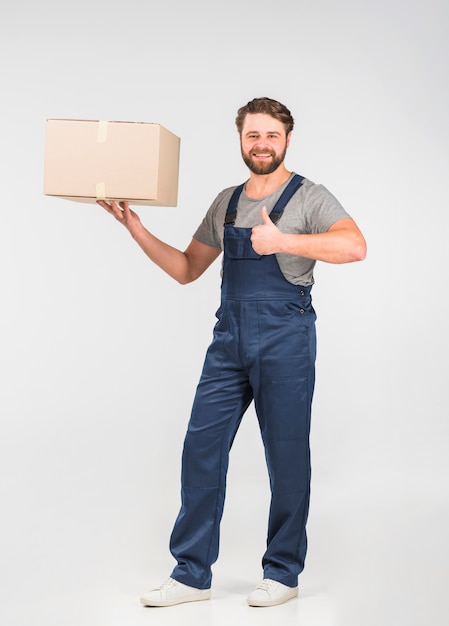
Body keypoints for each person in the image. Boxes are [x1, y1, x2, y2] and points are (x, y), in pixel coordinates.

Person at [98, 97, 366, 608]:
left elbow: (354, 247)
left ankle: (283, 571)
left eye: (271, 135)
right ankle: (191, 574)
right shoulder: (225, 202)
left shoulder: (311, 197)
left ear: (287, 139)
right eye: (252, 135)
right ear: (240, 140)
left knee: (286, 456)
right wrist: (134, 227)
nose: (261, 144)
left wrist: (283, 241)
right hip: (229, 341)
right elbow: (185, 269)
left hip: (286, 337)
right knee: (201, 449)